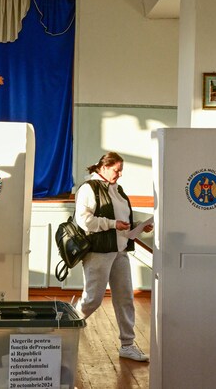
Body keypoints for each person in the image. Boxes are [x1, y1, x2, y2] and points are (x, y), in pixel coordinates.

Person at [74, 152, 153, 362]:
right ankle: (64, 331)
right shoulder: (88, 189)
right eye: (116, 170)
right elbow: (84, 221)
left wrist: (138, 226)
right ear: (104, 167)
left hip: (119, 251)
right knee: (92, 300)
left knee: (125, 297)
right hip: (99, 252)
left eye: (121, 171)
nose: (119, 175)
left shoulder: (117, 190)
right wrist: (112, 224)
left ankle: (127, 345)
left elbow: (122, 219)